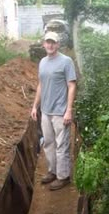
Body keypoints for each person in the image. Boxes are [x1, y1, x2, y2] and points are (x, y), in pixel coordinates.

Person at [31, 31, 77, 191]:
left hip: (60, 111)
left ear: (58, 44)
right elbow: (41, 85)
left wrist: (69, 110)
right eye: (47, 42)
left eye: (53, 42)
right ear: (43, 44)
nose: (50, 45)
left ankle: (63, 177)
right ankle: (53, 171)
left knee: (62, 145)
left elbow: (72, 86)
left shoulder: (66, 61)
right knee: (49, 143)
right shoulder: (43, 62)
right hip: (46, 110)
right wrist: (35, 106)